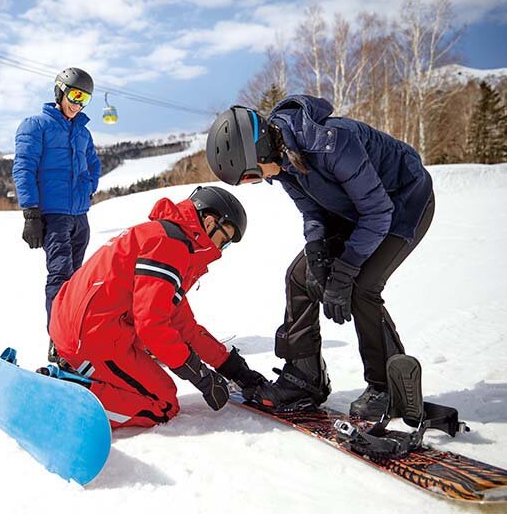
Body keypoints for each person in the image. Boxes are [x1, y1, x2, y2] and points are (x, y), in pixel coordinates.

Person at [205, 95, 435, 420]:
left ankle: (388, 388)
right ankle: (303, 377)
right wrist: (316, 252)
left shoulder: (331, 141)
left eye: (254, 175)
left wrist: (344, 273)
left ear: (260, 150)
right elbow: (311, 210)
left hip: (403, 203)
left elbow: (378, 212)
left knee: (362, 287)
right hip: (354, 211)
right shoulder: (283, 163)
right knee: (300, 276)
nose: (261, 180)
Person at [48, 186, 266, 428]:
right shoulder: (169, 246)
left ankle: (75, 378)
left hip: (84, 328)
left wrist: (234, 369)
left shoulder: (164, 236)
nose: (221, 249)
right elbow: (152, 326)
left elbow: (183, 325)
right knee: (163, 403)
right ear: (210, 221)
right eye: (223, 239)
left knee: (158, 388)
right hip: (93, 338)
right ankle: (66, 401)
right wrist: (201, 377)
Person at [12, 67, 102, 363]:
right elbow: (23, 167)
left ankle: (76, 335)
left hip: (79, 216)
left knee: (78, 281)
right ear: (60, 92)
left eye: (84, 99)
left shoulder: (83, 132)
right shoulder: (35, 125)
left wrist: (89, 188)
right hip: (54, 216)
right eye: (75, 95)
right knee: (61, 277)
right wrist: (31, 213)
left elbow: (93, 164)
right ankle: (58, 342)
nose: (78, 104)